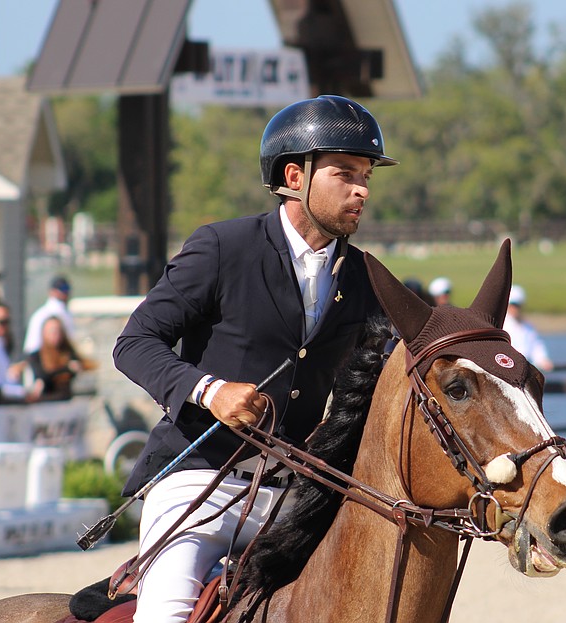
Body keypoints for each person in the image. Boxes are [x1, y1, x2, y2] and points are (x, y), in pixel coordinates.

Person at [112, 95, 395, 623]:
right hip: (199, 486)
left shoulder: (366, 278)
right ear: (295, 174)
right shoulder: (223, 246)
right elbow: (134, 343)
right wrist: (209, 390)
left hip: (297, 498)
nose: (362, 190)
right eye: (346, 174)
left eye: (368, 177)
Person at [17, 315, 94, 402]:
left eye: (58, 331)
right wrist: (67, 368)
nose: (55, 334)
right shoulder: (36, 356)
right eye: (52, 331)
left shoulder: (67, 352)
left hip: (66, 402)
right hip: (46, 403)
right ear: (44, 333)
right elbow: (42, 376)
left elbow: (85, 365)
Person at [502, 284, 554, 372]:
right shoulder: (502, 326)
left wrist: (543, 360)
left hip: (524, 369)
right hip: (508, 370)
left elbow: (536, 346)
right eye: (512, 304)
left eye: (517, 305)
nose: (515, 308)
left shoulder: (528, 327)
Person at [23, 275, 76, 354]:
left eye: (67, 288)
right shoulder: (60, 312)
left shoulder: (39, 313)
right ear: (52, 291)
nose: (66, 293)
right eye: (63, 289)